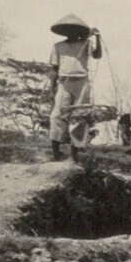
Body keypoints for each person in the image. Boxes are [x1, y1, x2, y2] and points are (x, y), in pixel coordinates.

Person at [47, 15, 105, 162]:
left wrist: (97, 38)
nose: (71, 32)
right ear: (65, 31)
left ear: (78, 31)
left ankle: (74, 155)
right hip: (64, 83)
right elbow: (54, 69)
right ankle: (56, 155)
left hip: (81, 83)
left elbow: (97, 55)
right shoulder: (58, 46)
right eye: (69, 30)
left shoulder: (85, 44)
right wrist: (52, 88)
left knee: (80, 117)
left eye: (74, 30)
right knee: (56, 117)